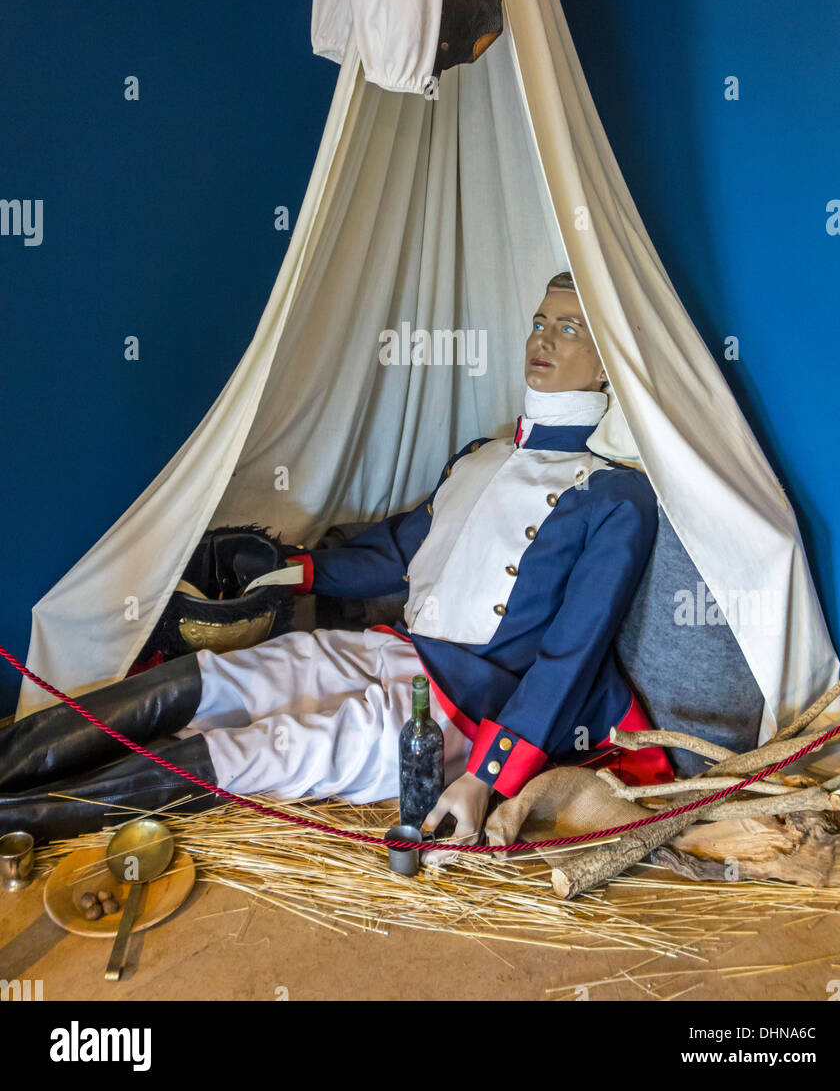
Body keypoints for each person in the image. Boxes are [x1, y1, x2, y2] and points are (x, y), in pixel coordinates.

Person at [0, 272, 673, 844]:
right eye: (538, 322)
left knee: (251, 752)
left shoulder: (616, 496)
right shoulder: (481, 456)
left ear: (610, 359)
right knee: (207, 682)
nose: (542, 339)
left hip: (459, 715)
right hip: (393, 651)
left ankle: (14, 818)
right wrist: (287, 571)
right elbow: (402, 548)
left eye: (569, 329)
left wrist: (484, 778)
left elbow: (571, 657)